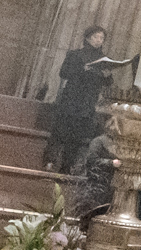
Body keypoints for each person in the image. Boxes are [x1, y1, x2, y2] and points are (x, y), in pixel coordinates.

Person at [47, 25, 116, 171]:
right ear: (88, 38)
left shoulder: (104, 60)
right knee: (60, 131)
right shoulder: (75, 54)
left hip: (88, 101)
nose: (98, 40)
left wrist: (108, 74)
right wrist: (81, 69)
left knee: (76, 136)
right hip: (72, 98)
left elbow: (108, 83)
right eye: (96, 37)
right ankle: (50, 161)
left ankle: (67, 166)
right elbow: (64, 73)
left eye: (101, 38)